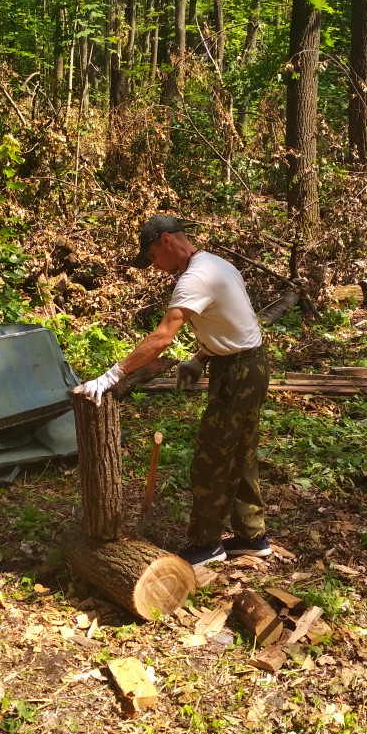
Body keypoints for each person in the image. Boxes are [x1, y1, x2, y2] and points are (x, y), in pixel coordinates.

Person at [75, 215, 271, 566]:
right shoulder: (215, 264)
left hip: (238, 373)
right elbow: (235, 323)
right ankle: (251, 536)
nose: (153, 267)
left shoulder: (196, 277)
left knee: (211, 460)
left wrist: (112, 375)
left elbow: (163, 337)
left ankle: (206, 545)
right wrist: (200, 357)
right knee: (240, 450)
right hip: (249, 364)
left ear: (166, 241)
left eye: (151, 257)